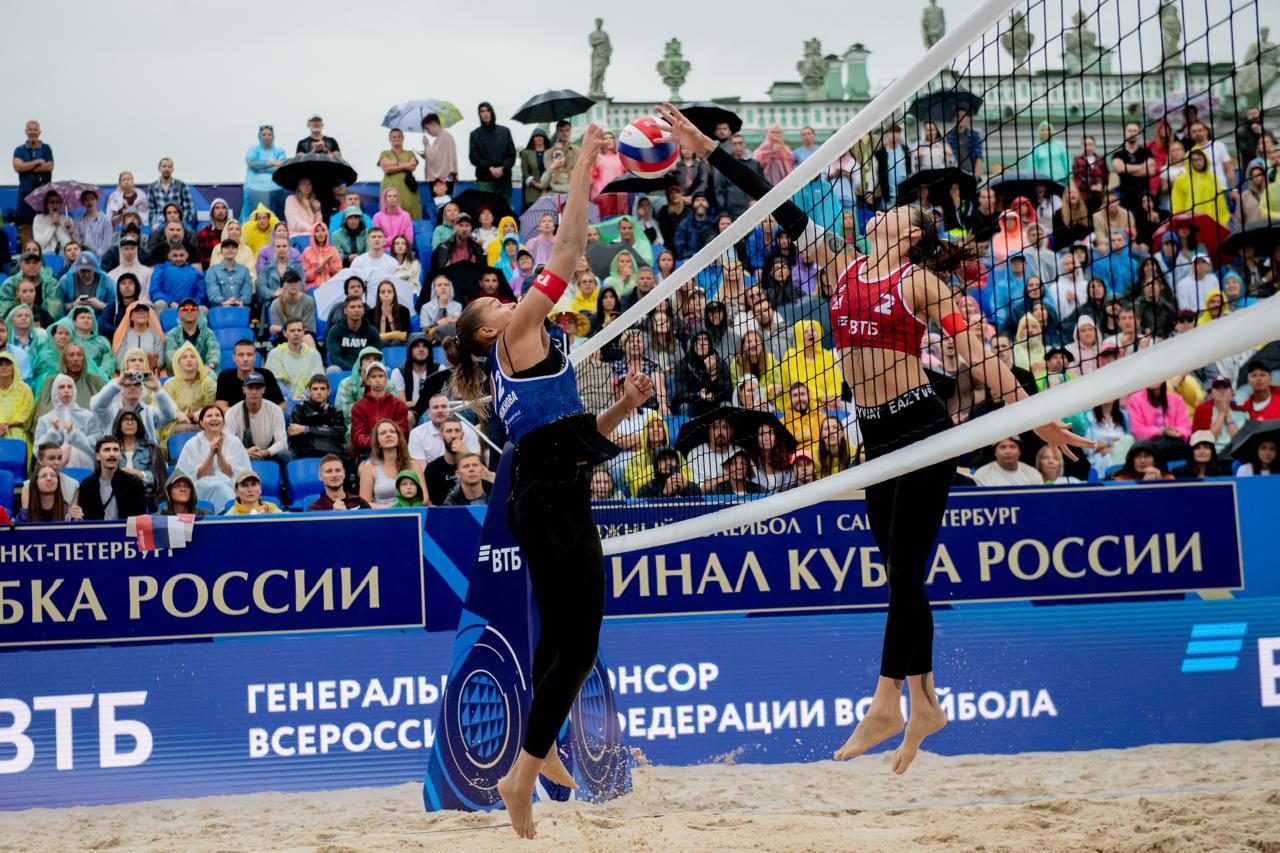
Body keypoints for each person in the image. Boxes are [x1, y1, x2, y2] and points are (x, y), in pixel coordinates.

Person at [661, 101, 1091, 771]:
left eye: (896, 210)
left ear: (912, 233)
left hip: (922, 430)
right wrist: (706, 150)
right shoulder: (842, 266)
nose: (884, 210)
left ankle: (889, 699)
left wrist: (1032, 416)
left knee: (903, 575)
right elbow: (774, 200)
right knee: (900, 574)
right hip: (873, 435)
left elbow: (981, 360)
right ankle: (924, 699)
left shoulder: (919, 282)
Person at [441, 122, 654, 839]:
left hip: (547, 490)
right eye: (492, 301)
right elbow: (566, 250)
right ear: (482, 331)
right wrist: (585, 166)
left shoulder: (519, 359)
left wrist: (621, 409)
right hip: (548, 497)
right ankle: (520, 776)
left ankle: (547, 750)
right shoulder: (514, 333)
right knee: (580, 642)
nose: (505, 297)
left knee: (563, 638)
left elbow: (569, 442)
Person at [224, 370, 290, 478]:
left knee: (285, 454)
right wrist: (245, 452)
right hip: (242, 454)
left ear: (263, 390)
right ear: (244, 389)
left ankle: (285, 489)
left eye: (258, 388)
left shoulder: (275, 410)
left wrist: (267, 452)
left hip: (268, 453)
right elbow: (227, 443)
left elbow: (282, 442)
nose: (254, 392)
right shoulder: (232, 412)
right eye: (250, 388)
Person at [35, 372, 102, 468]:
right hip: (51, 462)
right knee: (63, 452)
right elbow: (38, 451)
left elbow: (96, 446)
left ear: (74, 390)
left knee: (68, 449)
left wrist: (74, 434)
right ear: (54, 391)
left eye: (69, 387)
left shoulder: (88, 416)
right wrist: (53, 432)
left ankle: (56, 471)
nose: (66, 390)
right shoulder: (45, 419)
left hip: (84, 463)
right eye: (61, 387)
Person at [74, 435, 148, 520]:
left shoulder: (134, 483)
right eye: (107, 450)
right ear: (98, 456)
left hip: (125, 532)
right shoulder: (87, 485)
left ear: (120, 455)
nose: (112, 454)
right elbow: (85, 519)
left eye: (115, 450)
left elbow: (140, 518)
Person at [358, 418, 421, 508]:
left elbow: (424, 498)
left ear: (398, 438)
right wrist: (391, 509)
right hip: (382, 516)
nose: (388, 435)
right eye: (383, 433)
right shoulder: (368, 468)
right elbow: (364, 504)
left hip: (410, 514)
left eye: (392, 431)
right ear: (378, 442)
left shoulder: (414, 464)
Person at [349, 362, 410, 454]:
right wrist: (380, 442)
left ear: (386, 379)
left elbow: (402, 433)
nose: (377, 380)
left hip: (394, 452)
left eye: (381, 376)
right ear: (367, 381)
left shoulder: (399, 405)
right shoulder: (358, 407)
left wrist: (381, 440)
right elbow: (357, 437)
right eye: (373, 377)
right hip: (367, 454)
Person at [407, 392, 481, 465]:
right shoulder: (417, 433)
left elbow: (479, 467)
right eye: (436, 407)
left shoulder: (466, 429)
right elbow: (420, 469)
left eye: (444, 406)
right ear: (428, 413)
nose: (440, 410)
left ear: (450, 410)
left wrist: (465, 451)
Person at [113, 408, 167, 504]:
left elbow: (159, 481)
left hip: (146, 498)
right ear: (119, 423)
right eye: (125, 419)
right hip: (115, 498)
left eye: (133, 419)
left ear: (139, 423)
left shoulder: (152, 448)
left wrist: (140, 474)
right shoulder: (110, 447)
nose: (130, 422)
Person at [13, 120, 54, 242]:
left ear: (39, 132)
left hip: (43, 194)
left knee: (45, 224)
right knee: (25, 226)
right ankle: (25, 256)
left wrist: (26, 167)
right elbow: (17, 167)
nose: (33, 132)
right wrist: (37, 162)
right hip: (26, 193)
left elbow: (49, 167)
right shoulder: (19, 150)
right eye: (30, 129)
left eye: (35, 130)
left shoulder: (46, 149)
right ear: (26, 132)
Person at [215, 339, 285, 411]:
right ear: (234, 358)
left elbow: (282, 405)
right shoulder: (225, 376)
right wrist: (245, 417)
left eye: (249, 355)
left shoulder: (266, 375)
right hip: (235, 420)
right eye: (241, 355)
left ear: (254, 357)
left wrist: (264, 416)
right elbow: (220, 406)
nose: (245, 359)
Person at [289, 375, 347, 459]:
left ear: (329, 391)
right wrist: (325, 431)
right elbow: (295, 436)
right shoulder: (300, 409)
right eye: (315, 389)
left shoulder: (336, 412)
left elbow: (339, 434)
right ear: (309, 391)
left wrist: (307, 429)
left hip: (333, 455)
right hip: (306, 455)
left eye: (323, 388)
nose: (319, 392)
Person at [266, 319, 324, 399]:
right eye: (292, 331)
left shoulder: (314, 355)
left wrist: (305, 395)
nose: (296, 333)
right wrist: (291, 396)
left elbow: (318, 380)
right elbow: (276, 382)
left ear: (304, 332)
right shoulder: (275, 354)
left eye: (299, 330)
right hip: (282, 399)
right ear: (285, 333)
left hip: (309, 399)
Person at [325, 296, 382, 373]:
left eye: (359, 307)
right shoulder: (335, 330)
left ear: (363, 310)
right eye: (352, 307)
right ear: (345, 311)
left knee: (385, 369)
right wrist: (354, 369)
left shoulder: (372, 331)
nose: (356, 310)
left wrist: (364, 368)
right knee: (332, 370)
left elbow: (377, 356)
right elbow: (334, 357)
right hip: (344, 369)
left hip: (366, 370)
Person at [242, 126, 287, 220]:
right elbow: (251, 162)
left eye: (269, 134)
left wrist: (261, 167)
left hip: (275, 185)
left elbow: (281, 165)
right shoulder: (253, 150)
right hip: (253, 185)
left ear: (273, 136)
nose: (267, 137)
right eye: (264, 135)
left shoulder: (279, 151)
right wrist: (272, 163)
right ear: (259, 136)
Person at [378, 130, 422, 221]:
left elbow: (412, 166)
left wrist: (393, 164)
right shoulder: (385, 153)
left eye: (399, 136)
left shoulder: (410, 153)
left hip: (407, 187)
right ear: (390, 139)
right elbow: (387, 169)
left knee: (409, 208)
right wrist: (406, 164)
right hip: (390, 186)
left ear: (403, 138)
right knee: (390, 208)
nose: (396, 138)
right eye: (393, 137)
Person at [146, 158, 195, 230]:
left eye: (169, 166)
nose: (167, 169)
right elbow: (151, 210)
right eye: (164, 166)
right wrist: (154, 223)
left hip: (178, 222)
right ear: (159, 168)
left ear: (172, 169)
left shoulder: (181, 185)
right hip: (159, 224)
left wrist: (181, 221)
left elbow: (190, 209)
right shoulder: (152, 187)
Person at [972, 436, 1043, 486]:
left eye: (1012, 446)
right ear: (995, 452)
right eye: (1003, 447)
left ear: (1020, 452)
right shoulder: (982, 474)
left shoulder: (1032, 473)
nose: (1008, 451)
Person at [204, 239, 254, 308]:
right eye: (227, 248)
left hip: (240, 308)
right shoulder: (213, 270)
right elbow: (212, 290)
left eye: (233, 248)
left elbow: (247, 290)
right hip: (219, 309)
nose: (230, 250)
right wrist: (223, 302)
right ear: (221, 251)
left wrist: (241, 301)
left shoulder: (244, 270)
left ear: (237, 251)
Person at [420, 113, 458, 192]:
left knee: (442, 202)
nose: (427, 132)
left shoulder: (443, 137)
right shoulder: (444, 136)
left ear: (434, 124)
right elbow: (435, 155)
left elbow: (432, 157)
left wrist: (426, 144)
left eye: (427, 128)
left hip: (442, 179)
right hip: (447, 177)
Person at [302, 222, 342, 288]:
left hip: (330, 286)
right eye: (317, 231)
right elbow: (305, 276)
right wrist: (317, 269)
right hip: (313, 288)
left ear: (326, 233)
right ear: (313, 234)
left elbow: (339, 274)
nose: (320, 233)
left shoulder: (333, 250)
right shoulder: (307, 251)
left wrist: (330, 264)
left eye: (323, 230)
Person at [74, 188, 113, 257]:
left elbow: (107, 240)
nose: (90, 202)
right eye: (87, 200)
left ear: (97, 201)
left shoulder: (106, 219)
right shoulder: (78, 220)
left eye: (92, 199)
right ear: (83, 203)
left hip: (101, 257)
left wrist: (97, 255)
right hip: (84, 256)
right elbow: (78, 240)